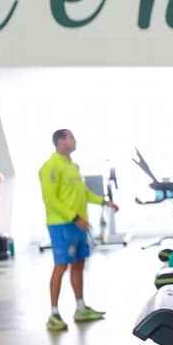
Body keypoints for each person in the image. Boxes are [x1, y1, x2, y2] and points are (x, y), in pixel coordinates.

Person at [40, 129, 118, 332]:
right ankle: (54, 314)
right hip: (61, 224)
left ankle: (80, 308)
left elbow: (83, 193)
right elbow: (50, 199)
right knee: (61, 266)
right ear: (61, 141)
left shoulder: (72, 166)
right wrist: (74, 218)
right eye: (71, 137)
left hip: (78, 223)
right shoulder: (50, 167)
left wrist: (104, 202)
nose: (75, 140)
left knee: (78, 264)